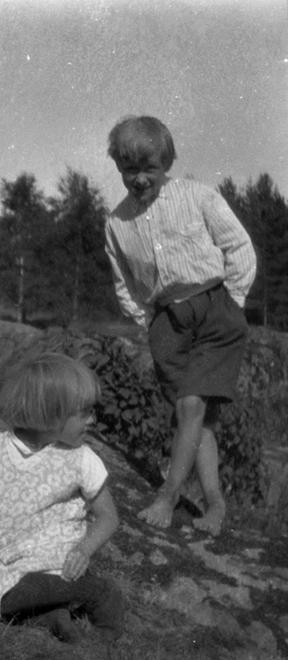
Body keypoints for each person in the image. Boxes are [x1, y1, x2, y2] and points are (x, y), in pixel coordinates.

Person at [103, 115, 256, 534]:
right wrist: (150, 323)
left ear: (165, 163)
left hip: (214, 309)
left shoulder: (197, 196)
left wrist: (233, 301)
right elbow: (124, 283)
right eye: (129, 170)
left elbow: (237, 245)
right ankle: (215, 506)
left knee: (191, 407)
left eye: (148, 169)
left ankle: (167, 498)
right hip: (167, 322)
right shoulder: (116, 223)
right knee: (196, 417)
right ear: (118, 167)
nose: (138, 179)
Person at [0, 353, 123, 643]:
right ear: (50, 413)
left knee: (31, 588)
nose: (93, 420)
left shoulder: (81, 459)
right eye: (84, 413)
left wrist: (84, 550)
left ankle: (97, 601)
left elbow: (108, 516)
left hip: (50, 562)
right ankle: (51, 616)